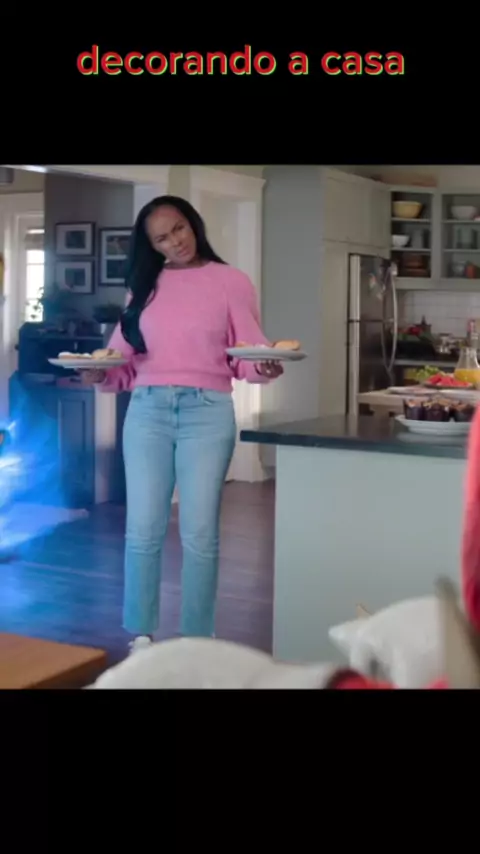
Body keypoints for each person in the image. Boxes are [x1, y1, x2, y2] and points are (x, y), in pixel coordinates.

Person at [81, 195, 284, 653]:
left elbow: (248, 352)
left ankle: (197, 636)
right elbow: (119, 360)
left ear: (192, 224)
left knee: (200, 532)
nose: (175, 242)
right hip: (147, 411)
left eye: (179, 229)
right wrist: (98, 374)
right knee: (143, 527)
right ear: (152, 246)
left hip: (206, 413)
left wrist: (264, 366)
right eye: (162, 238)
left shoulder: (230, 281)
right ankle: (140, 633)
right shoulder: (143, 288)